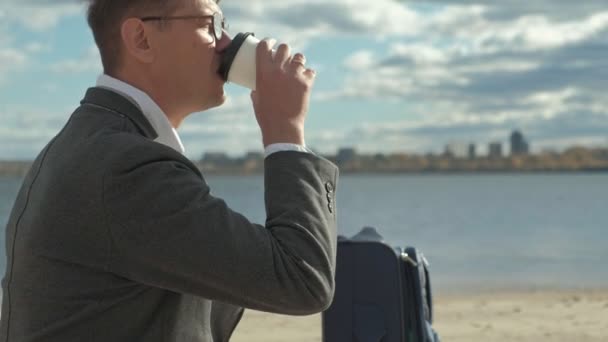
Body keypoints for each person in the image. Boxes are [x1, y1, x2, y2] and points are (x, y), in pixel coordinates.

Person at [0, 0, 339, 341]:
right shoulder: (126, 169)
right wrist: (285, 134)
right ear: (141, 39)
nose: (225, 41)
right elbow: (302, 280)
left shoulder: (92, 145)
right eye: (210, 24)